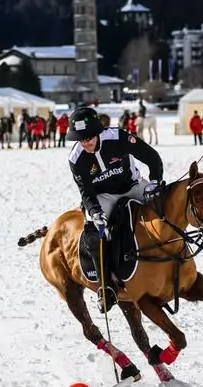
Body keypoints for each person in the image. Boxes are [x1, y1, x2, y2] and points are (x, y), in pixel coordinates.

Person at [66, 106, 165, 312]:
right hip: (104, 196)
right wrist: (94, 212)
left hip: (133, 186)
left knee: (163, 205)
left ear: (98, 132)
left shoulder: (118, 137)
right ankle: (105, 286)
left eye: (89, 137)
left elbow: (151, 156)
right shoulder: (76, 159)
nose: (86, 142)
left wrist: (154, 182)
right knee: (95, 229)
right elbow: (86, 192)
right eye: (81, 139)